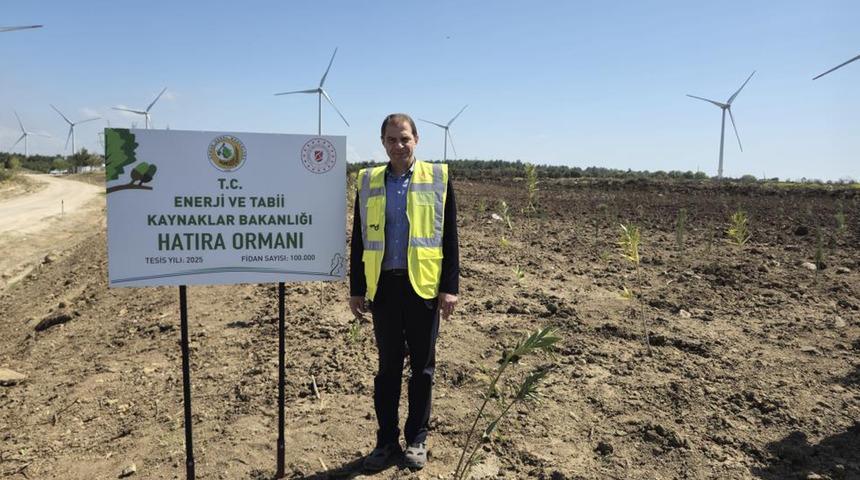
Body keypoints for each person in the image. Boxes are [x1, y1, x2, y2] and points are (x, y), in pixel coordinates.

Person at [349, 113, 459, 471]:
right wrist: (357, 288)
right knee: (388, 369)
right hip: (384, 288)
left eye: (405, 138)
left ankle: (417, 439)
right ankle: (385, 441)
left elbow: (449, 237)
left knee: (422, 369)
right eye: (391, 139)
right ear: (383, 142)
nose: (398, 146)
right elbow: (359, 239)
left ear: (417, 140)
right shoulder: (368, 182)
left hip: (422, 287)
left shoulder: (437, 178)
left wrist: (449, 288)